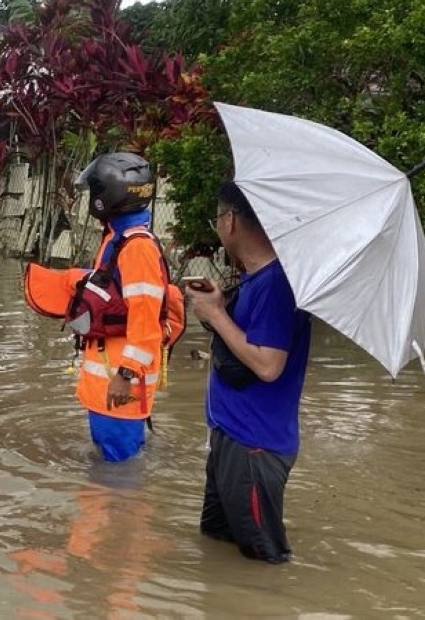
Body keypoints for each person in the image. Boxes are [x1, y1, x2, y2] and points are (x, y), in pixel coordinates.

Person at [185, 180, 312, 564]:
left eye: (217, 218)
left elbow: (269, 365)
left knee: (265, 563)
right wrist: (220, 305)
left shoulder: (277, 284)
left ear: (230, 221)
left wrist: (216, 314)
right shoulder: (256, 279)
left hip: (255, 446)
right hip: (231, 436)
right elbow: (245, 339)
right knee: (217, 543)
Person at [72, 153, 167, 462]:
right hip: (110, 381)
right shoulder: (121, 239)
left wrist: (126, 374)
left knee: (120, 475)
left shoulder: (136, 248)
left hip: (120, 382)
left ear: (107, 197)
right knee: (109, 467)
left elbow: (146, 320)